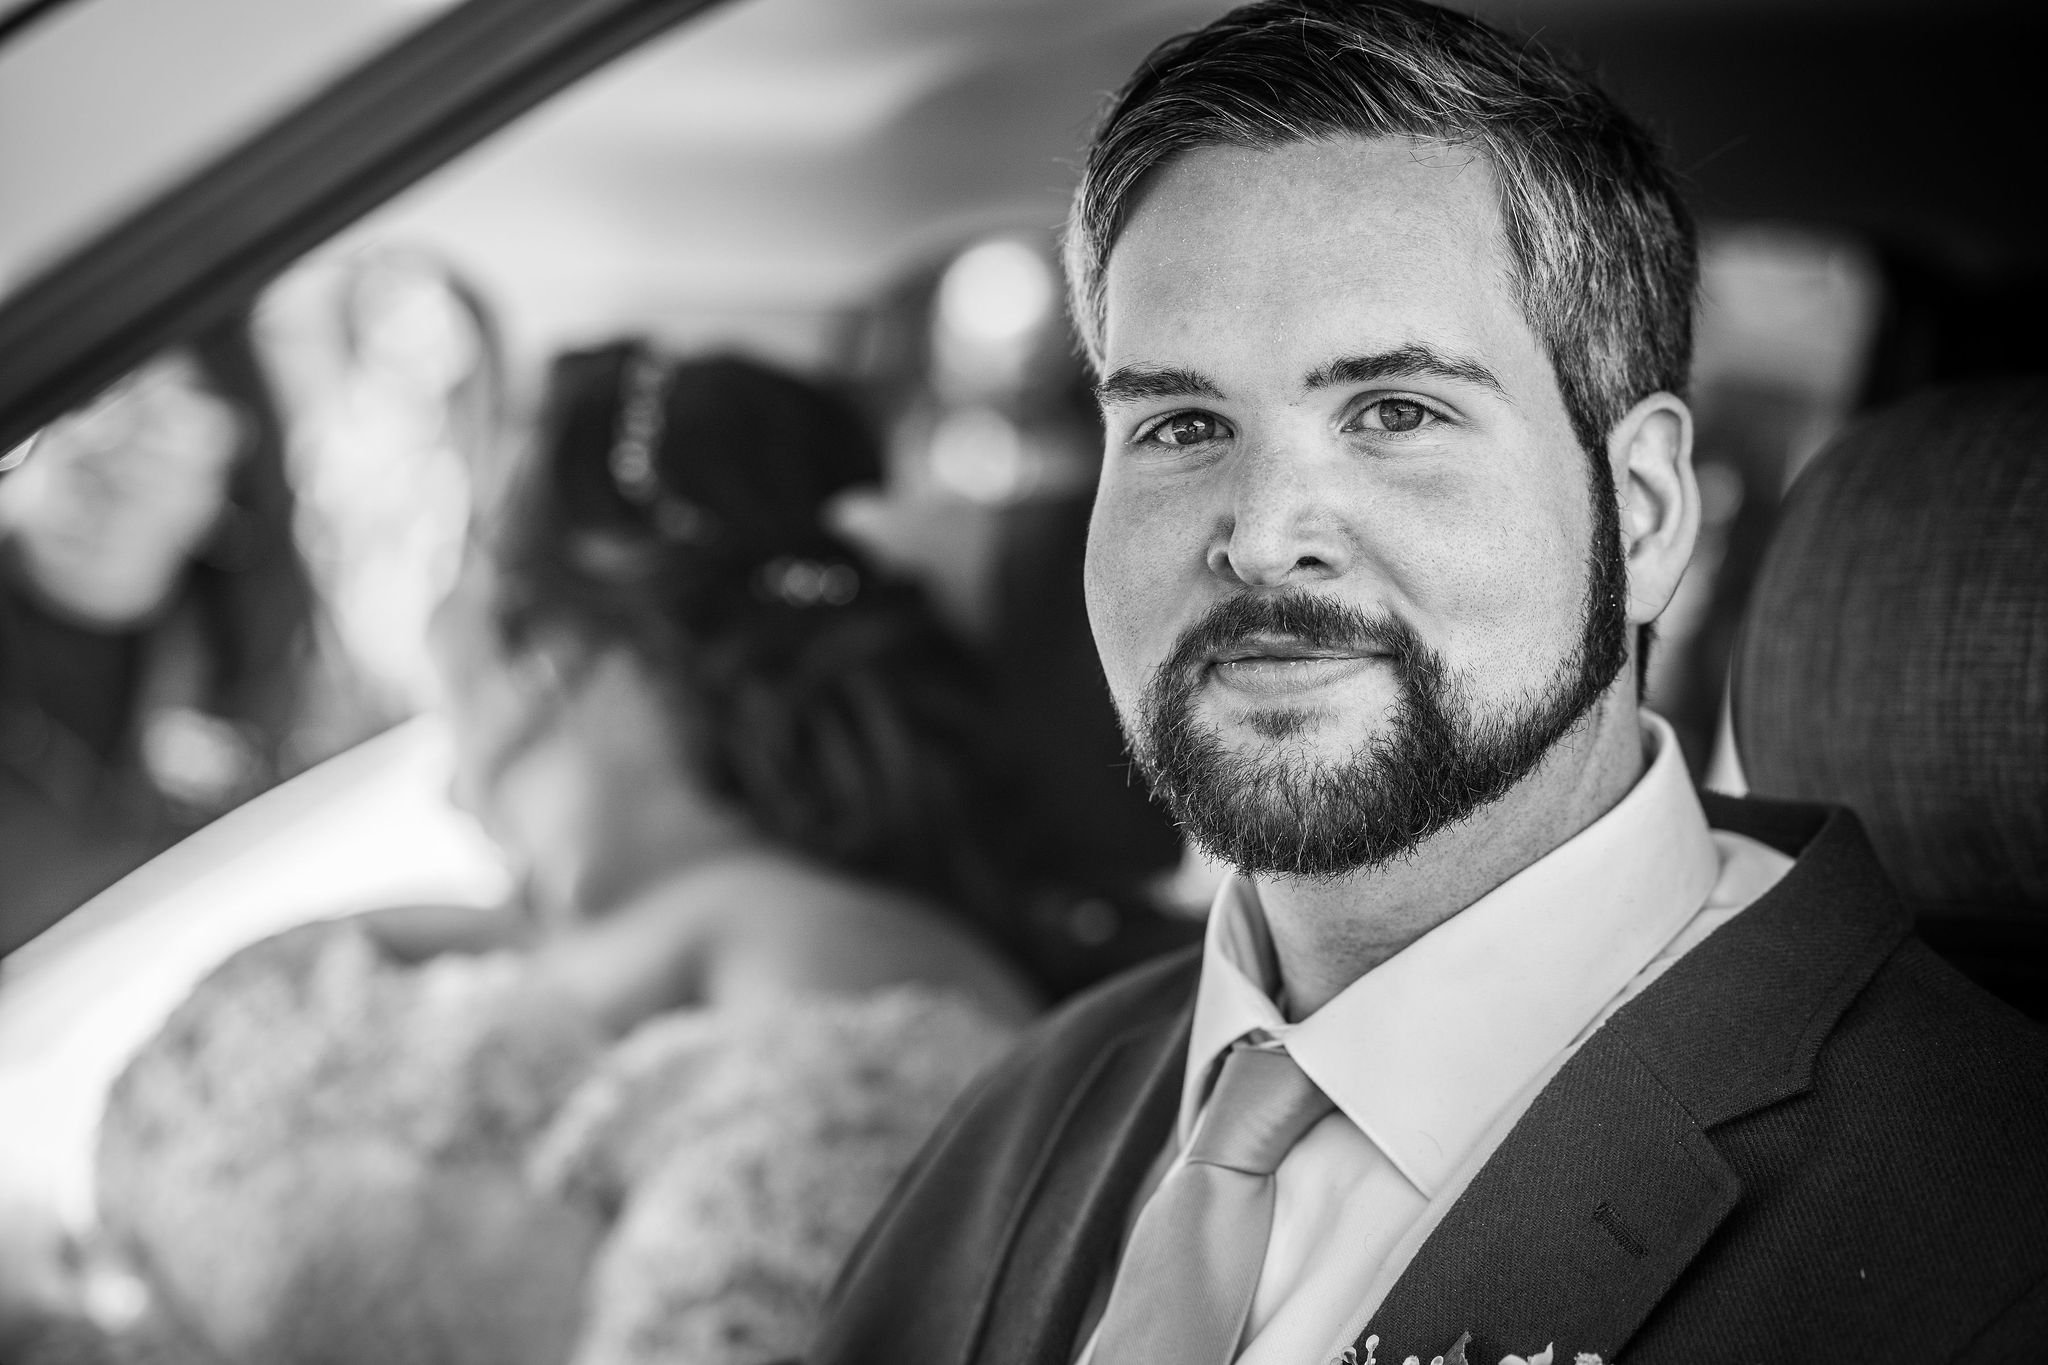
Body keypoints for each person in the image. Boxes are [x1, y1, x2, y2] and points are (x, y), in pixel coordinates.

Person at [809, 4, 2048, 1364]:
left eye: (1396, 412)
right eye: (1178, 424)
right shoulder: (1013, 1127)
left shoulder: (1981, 1236)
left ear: (1639, 513)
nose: (1264, 529)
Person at [66, 346, 1043, 1365]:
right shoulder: (480, 935)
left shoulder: (839, 983)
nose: (434, 615)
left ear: (545, 642)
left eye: (467, 543)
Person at [0, 312, 315, 955]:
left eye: (158, 433)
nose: (102, 455)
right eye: (78, 413)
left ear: (229, 468)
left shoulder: (252, 673)